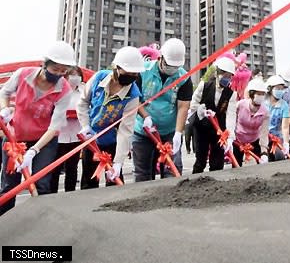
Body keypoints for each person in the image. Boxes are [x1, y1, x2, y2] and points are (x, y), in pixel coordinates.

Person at [0, 41, 75, 215]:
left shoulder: (64, 89)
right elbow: (4, 93)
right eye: (55, 69)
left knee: (42, 184)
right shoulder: (22, 75)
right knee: (9, 185)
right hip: (15, 137)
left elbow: (55, 125)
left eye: (63, 71)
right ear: (45, 64)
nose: (59, 74)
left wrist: (34, 150)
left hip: (44, 140)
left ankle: (39, 224)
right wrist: (4, 108)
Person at [77, 46, 144, 189]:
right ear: (116, 67)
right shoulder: (98, 78)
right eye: (128, 72)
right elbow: (82, 102)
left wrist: (118, 161)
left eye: (135, 74)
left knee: (114, 183)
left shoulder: (133, 96)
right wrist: (85, 125)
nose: (132, 76)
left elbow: (126, 130)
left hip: (113, 142)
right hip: (91, 139)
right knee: (89, 182)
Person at [131, 38, 191, 182]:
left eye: (175, 66)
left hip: (169, 131)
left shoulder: (184, 78)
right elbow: (134, 99)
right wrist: (145, 116)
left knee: (172, 170)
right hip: (143, 131)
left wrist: (178, 133)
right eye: (169, 65)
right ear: (160, 57)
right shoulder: (142, 71)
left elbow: (183, 106)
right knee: (143, 172)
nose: (172, 69)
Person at [189, 57, 238, 173]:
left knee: (217, 161)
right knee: (200, 159)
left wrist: (230, 137)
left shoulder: (231, 94)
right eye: (224, 75)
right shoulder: (204, 86)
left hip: (218, 129)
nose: (226, 79)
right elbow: (193, 104)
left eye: (229, 76)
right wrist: (201, 110)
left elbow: (231, 115)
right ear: (217, 73)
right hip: (202, 127)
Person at [51, 66, 84, 193]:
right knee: (55, 168)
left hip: (76, 135)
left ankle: (69, 193)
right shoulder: (58, 90)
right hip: (59, 135)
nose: (75, 77)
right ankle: (52, 193)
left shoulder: (83, 91)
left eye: (77, 74)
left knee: (72, 167)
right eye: (72, 74)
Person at [232, 78, 270, 166]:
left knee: (261, 165)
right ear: (252, 94)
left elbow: (264, 133)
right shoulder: (240, 105)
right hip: (238, 139)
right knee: (236, 165)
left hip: (254, 140)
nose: (261, 96)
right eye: (258, 94)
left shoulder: (265, 112)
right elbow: (232, 119)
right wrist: (231, 136)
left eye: (263, 94)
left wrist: (264, 153)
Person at [265, 75, 290, 161]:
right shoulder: (263, 103)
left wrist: (286, 143)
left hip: (277, 138)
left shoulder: (284, 105)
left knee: (280, 156)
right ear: (270, 89)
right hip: (263, 137)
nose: (280, 91)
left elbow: (285, 127)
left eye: (282, 89)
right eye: (277, 88)